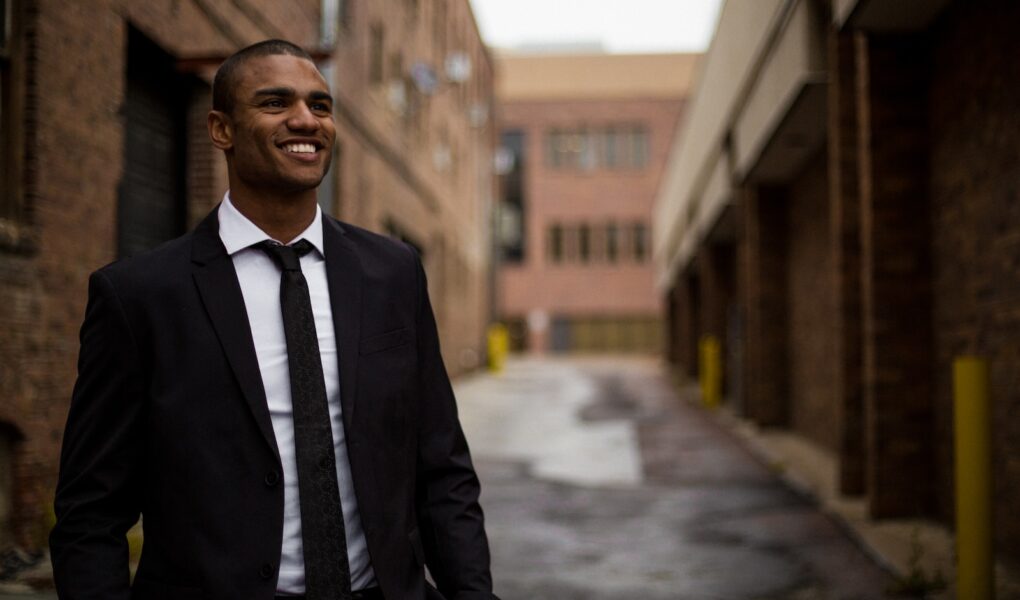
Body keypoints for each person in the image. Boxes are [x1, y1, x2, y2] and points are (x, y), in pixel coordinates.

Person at [49, 39, 496, 600]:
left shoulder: (393, 273)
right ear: (221, 130)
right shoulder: (140, 295)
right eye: (275, 102)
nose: (306, 119)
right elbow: (92, 511)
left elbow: (443, 469)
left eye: (321, 105)